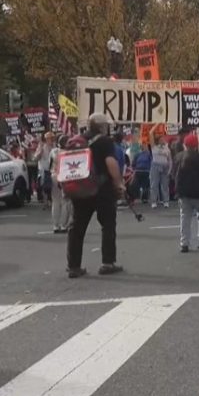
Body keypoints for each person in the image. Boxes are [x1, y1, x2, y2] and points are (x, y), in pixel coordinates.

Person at [66, 114, 125, 278]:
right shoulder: (105, 142)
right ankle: (107, 263)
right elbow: (110, 163)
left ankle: (73, 266)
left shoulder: (77, 140)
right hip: (102, 189)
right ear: (101, 126)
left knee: (77, 228)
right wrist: (119, 182)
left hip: (80, 189)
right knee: (107, 225)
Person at [175, 133, 199, 253]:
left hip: (184, 192)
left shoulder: (179, 157)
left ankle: (184, 243)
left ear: (185, 145)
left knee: (185, 217)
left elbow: (174, 174)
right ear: (196, 145)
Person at [49, 135, 73, 233]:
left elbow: (49, 164)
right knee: (65, 202)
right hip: (64, 177)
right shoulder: (68, 153)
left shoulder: (53, 151)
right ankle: (64, 225)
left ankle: (55, 225)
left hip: (53, 176)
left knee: (55, 202)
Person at [150, 135, 172, 208]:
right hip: (155, 166)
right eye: (161, 139)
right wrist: (156, 125)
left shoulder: (167, 148)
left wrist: (170, 169)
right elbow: (151, 134)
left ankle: (166, 201)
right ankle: (154, 201)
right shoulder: (154, 147)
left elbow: (170, 160)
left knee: (165, 185)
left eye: (163, 139)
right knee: (154, 184)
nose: (163, 140)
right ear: (158, 140)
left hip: (165, 166)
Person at [36, 132, 56, 209]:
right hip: (44, 169)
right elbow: (36, 158)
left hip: (53, 169)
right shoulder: (42, 147)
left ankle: (51, 201)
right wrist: (40, 152)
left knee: (52, 187)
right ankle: (45, 203)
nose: (51, 140)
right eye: (49, 138)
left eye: (52, 138)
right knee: (44, 186)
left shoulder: (55, 147)